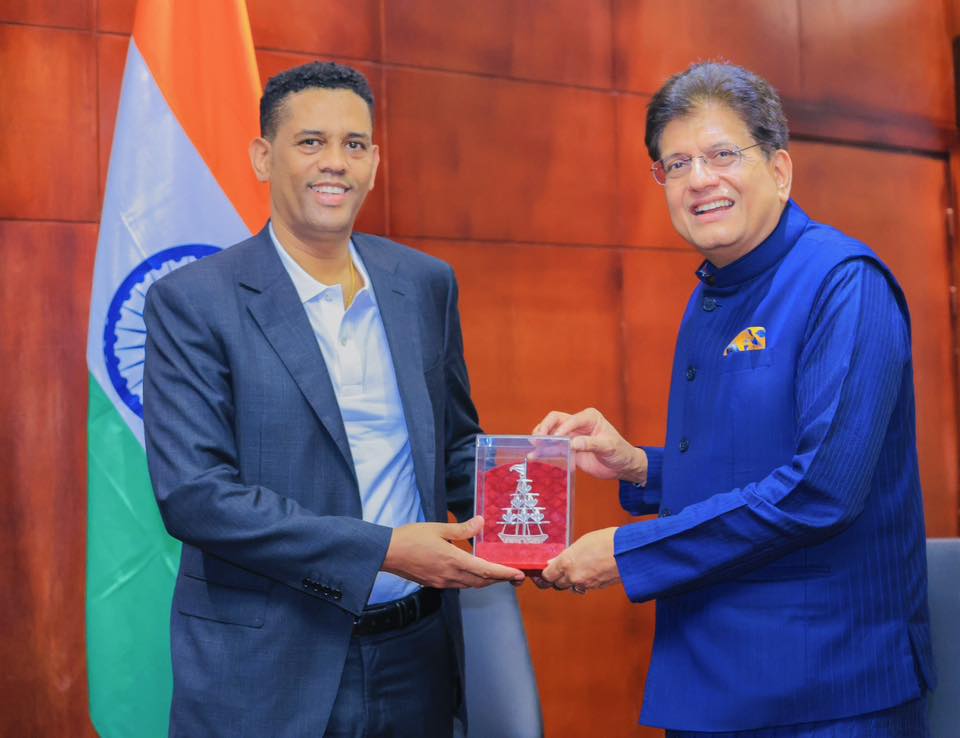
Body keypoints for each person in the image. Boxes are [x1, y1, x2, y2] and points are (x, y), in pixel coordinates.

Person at [535, 62, 935, 736]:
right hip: (710, 676)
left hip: (826, 690)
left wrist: (630, 552)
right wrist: (640, 466)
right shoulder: (712, 294)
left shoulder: (845, 282)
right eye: (677, 164)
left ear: (780, 170)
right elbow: (749, 465)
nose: (699, 179)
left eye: (722, 154)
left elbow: (822, 489)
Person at [143, 61, 523, 738]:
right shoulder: (194, 302)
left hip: (416, 654)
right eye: (311, 142)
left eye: (354, 144)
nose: (335, 163)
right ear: (264, 158)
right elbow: (196, 496)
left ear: (375, 163)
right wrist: (382, 549)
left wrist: (537, 501)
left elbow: (457, 448)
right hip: (268, 665)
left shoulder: (424, 284)